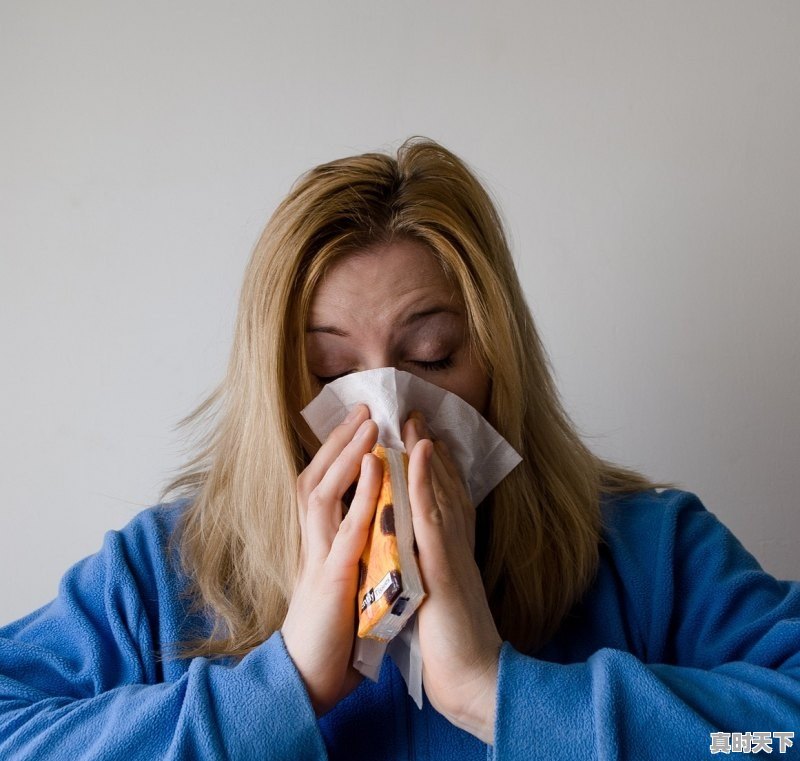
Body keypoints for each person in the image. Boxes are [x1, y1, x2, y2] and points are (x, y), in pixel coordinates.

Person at [1, 138, 798, 761]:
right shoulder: (163, 574)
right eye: (331, 373)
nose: (384, 413)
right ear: (274, 387)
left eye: (429, 357)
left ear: (497, 367)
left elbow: (773, 738)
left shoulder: (650, 554)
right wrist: (283, 688)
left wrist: (500, 694)